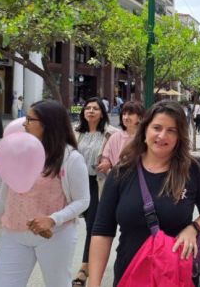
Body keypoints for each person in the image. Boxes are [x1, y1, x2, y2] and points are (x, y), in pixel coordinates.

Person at [88, 101, 200, 286]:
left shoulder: (194, 169)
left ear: (179, 136)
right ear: (144, 131)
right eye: (156, 127)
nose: (162, 135)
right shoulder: (121, 173)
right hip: (130, 275)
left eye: (171, 130)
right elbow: (102, 231)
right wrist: (93, 283)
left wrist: (193, 228)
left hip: (175, 277)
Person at [0, 100, 90, 286]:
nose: (23, 123)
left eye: (29, 119)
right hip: (13, 234)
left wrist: (53, 219)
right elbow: (3, 199)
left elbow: (83, 200)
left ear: (47, 124)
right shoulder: (19, 152)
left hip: (55, 235)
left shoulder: (71, 159)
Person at [73, 97, 118, 286]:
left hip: (98, 184)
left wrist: (108, 164)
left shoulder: (111, 134)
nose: (91, 111)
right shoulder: (75, 132)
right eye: (88, 108)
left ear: (102, 113)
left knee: (92, 225)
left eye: (95, 108)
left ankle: (85, 267)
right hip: (76, 183)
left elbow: (120, 157)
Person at [99, 101, 145, 172]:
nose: (126, 117)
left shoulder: (145, 137)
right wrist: (106, 162)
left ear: (140, 117)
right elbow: (106, 156)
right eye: (124, 114)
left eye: (130, 114)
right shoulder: (115, 136)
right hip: (118, 176)